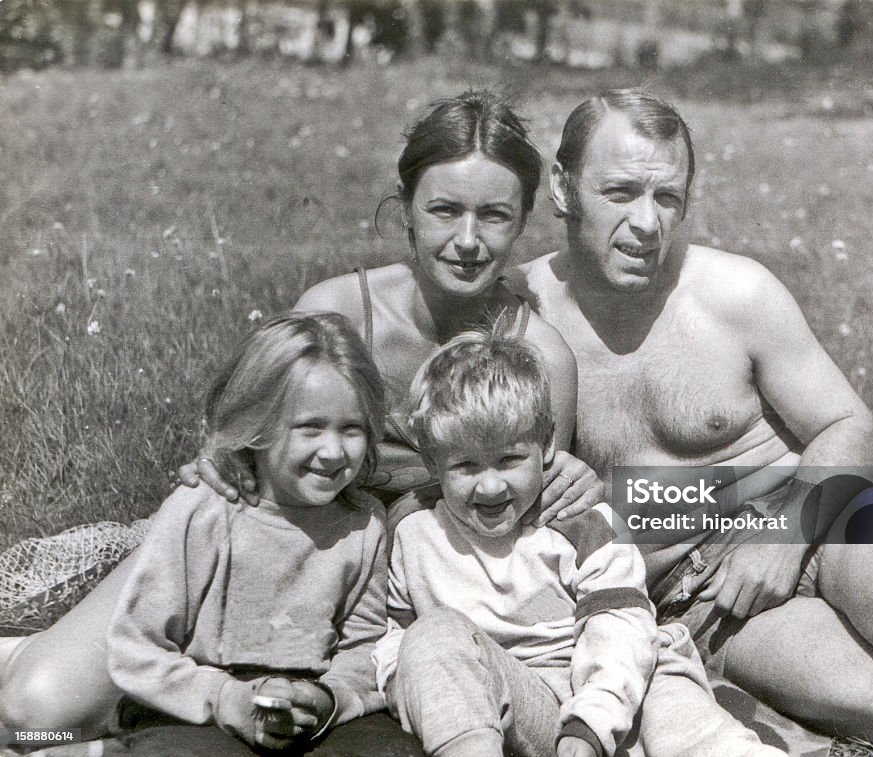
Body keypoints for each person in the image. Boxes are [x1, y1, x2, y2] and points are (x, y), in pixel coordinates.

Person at [0, 89, 599, 738]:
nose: (467, 240)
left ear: (523, 218)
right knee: (37, 706)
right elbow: (253, 435)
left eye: (494, 216)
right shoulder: (339, 311)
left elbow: (523, 521)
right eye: (444, 210)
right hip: (274, 537)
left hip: (405, 596)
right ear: (405, 211)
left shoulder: (540, 356)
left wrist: (575, 484)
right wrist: (227, 459)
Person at [509, 88, 873, 756]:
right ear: (562, 186)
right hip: (704, 604)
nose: (646, 223)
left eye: (667, 198)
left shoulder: (734, 292)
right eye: (621, 192)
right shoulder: (521, 320)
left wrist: (782, 534)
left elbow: (851, 425)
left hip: (820, 516)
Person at [374, 321, 785, 757]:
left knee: (671, 698)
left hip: (613, 686)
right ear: (431, 460)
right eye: (467, 466)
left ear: (548, 443)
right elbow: (395, 642)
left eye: (510, 459)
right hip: (517, 703)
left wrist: (589, 725)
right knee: (433, 636)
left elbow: (619, 632)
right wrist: (419, 689)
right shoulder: (416, 534)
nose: (490, 486)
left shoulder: (582, 525)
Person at [102, 311, 419, 756]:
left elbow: (365, 645)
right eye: (309, 428)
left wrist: (330, 698)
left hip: (309, 701)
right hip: (200, 698)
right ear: (259, 425)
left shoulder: (363, 524)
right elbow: (137, 647)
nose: (332, 451)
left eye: (352, 430)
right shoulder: (204, 510)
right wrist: (227, 699)